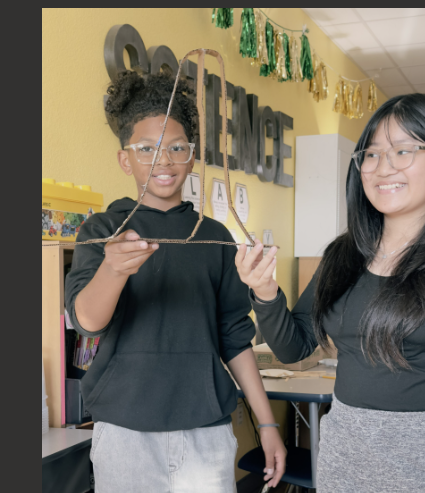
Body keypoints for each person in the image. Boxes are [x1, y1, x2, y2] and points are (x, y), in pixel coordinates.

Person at [237, 93, 425, 493]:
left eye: (403, 150)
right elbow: (295, 348)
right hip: (346, 456)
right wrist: (265, 291)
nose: (384, 167)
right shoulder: (342, 255)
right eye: (372, 154)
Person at [65, 71, 286, 493]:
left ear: (192, 155)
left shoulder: (216, 236)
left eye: (176, 148)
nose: (163, 161)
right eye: (146, 149)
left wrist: (268, 422)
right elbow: (86, 323)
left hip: (207, 430)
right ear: (124, 159)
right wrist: (112, 270)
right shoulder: (104, 229)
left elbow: (234, 338)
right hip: (124, 432)